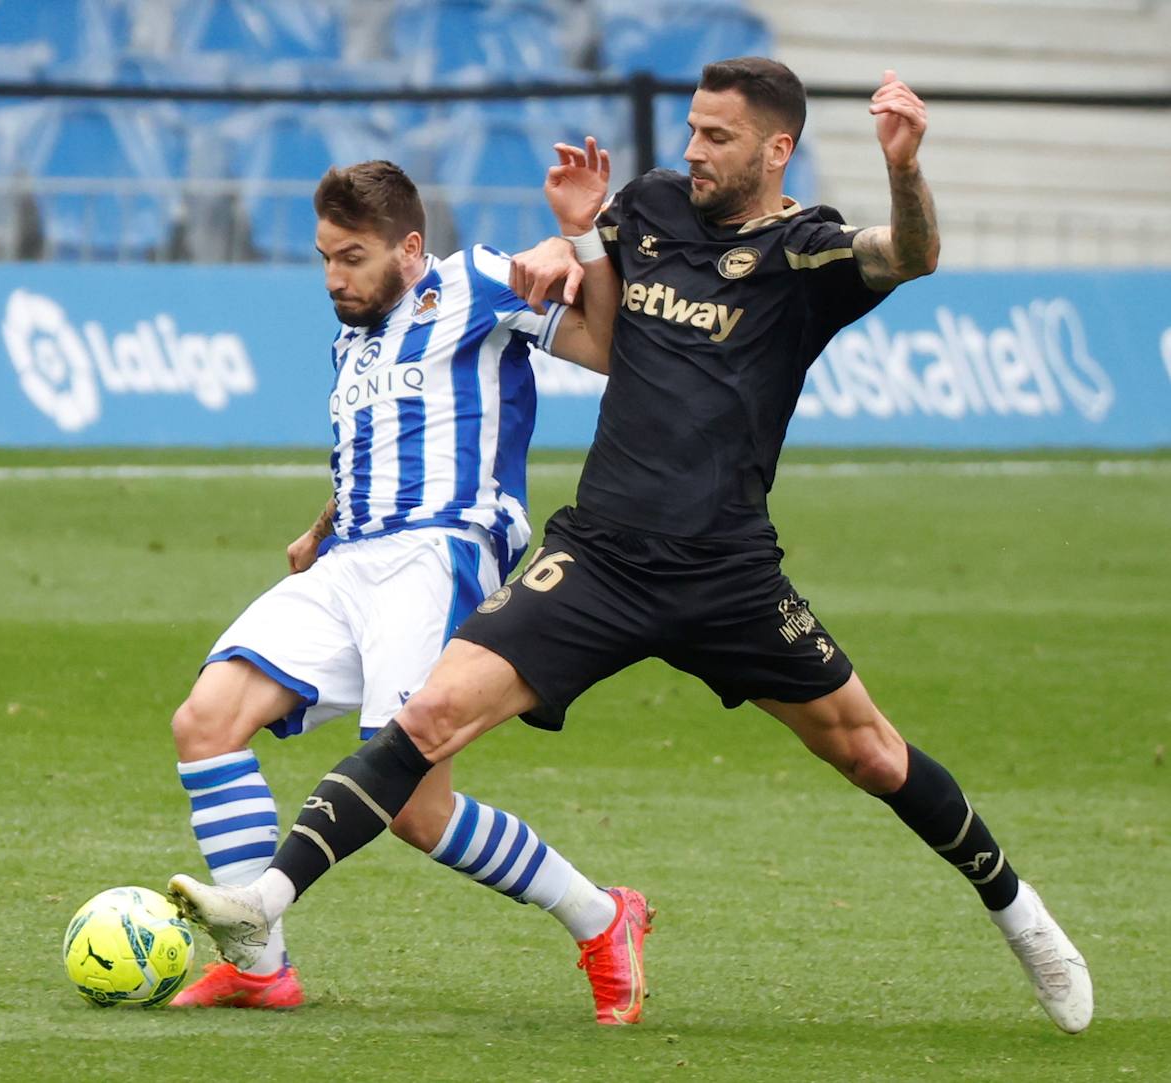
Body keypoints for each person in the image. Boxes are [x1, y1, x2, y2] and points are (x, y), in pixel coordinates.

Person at [170, 60, 1093, 1034]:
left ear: (778, 149)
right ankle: (265, 909)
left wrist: (904, 168)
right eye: (692, 129)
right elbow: (573, 268)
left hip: (728, 569)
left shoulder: (803, 251)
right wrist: (566, 238)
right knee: (428, 720)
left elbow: (909, 252)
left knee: (871, 753)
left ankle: (1019, 914)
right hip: (600, 557)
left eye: (717, 136)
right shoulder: (649, 209)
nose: (692, 149)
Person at [167, 159, 654, 1024]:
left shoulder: (477, 284)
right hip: (348, 558)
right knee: (205, 722)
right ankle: (258, 966)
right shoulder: (351, 336)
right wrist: (321, 525)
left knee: (416, 811)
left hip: (439, 555)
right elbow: (390, 440)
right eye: (323, 257)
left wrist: (576, 242)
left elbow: (608, 348)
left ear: (411, 246)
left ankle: (602, 915)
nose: (333, 279)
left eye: (351, 257)